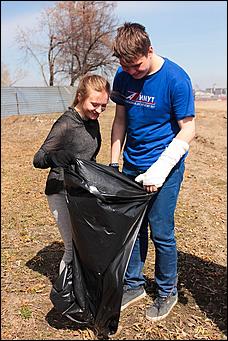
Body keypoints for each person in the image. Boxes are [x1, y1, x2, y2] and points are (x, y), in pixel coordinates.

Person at [109, 22, 196, 321]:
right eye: (126, 67)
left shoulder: (176, 79)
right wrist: (113, 163)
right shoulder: (122, 75)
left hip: (165, 168)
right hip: (132, 163)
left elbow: (189, 129)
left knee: (161, 231)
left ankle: (166, 291)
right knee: (133, 230)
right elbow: (120, 119)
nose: (132, 73)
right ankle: (134, 285)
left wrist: (160, 168)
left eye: (137, 66)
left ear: (150, 50)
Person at [33, 74, 110, 275]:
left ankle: (82, 290)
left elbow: (89, 158)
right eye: (95, 104)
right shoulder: (65, 123)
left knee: (87, 245)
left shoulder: (93, 122)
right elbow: (38, 158)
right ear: (80, 96)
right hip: (60, 190)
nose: (99, 110)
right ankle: (65, 298)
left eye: (104, 106)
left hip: (81, 191)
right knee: (72, 249)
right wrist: (55, 157)